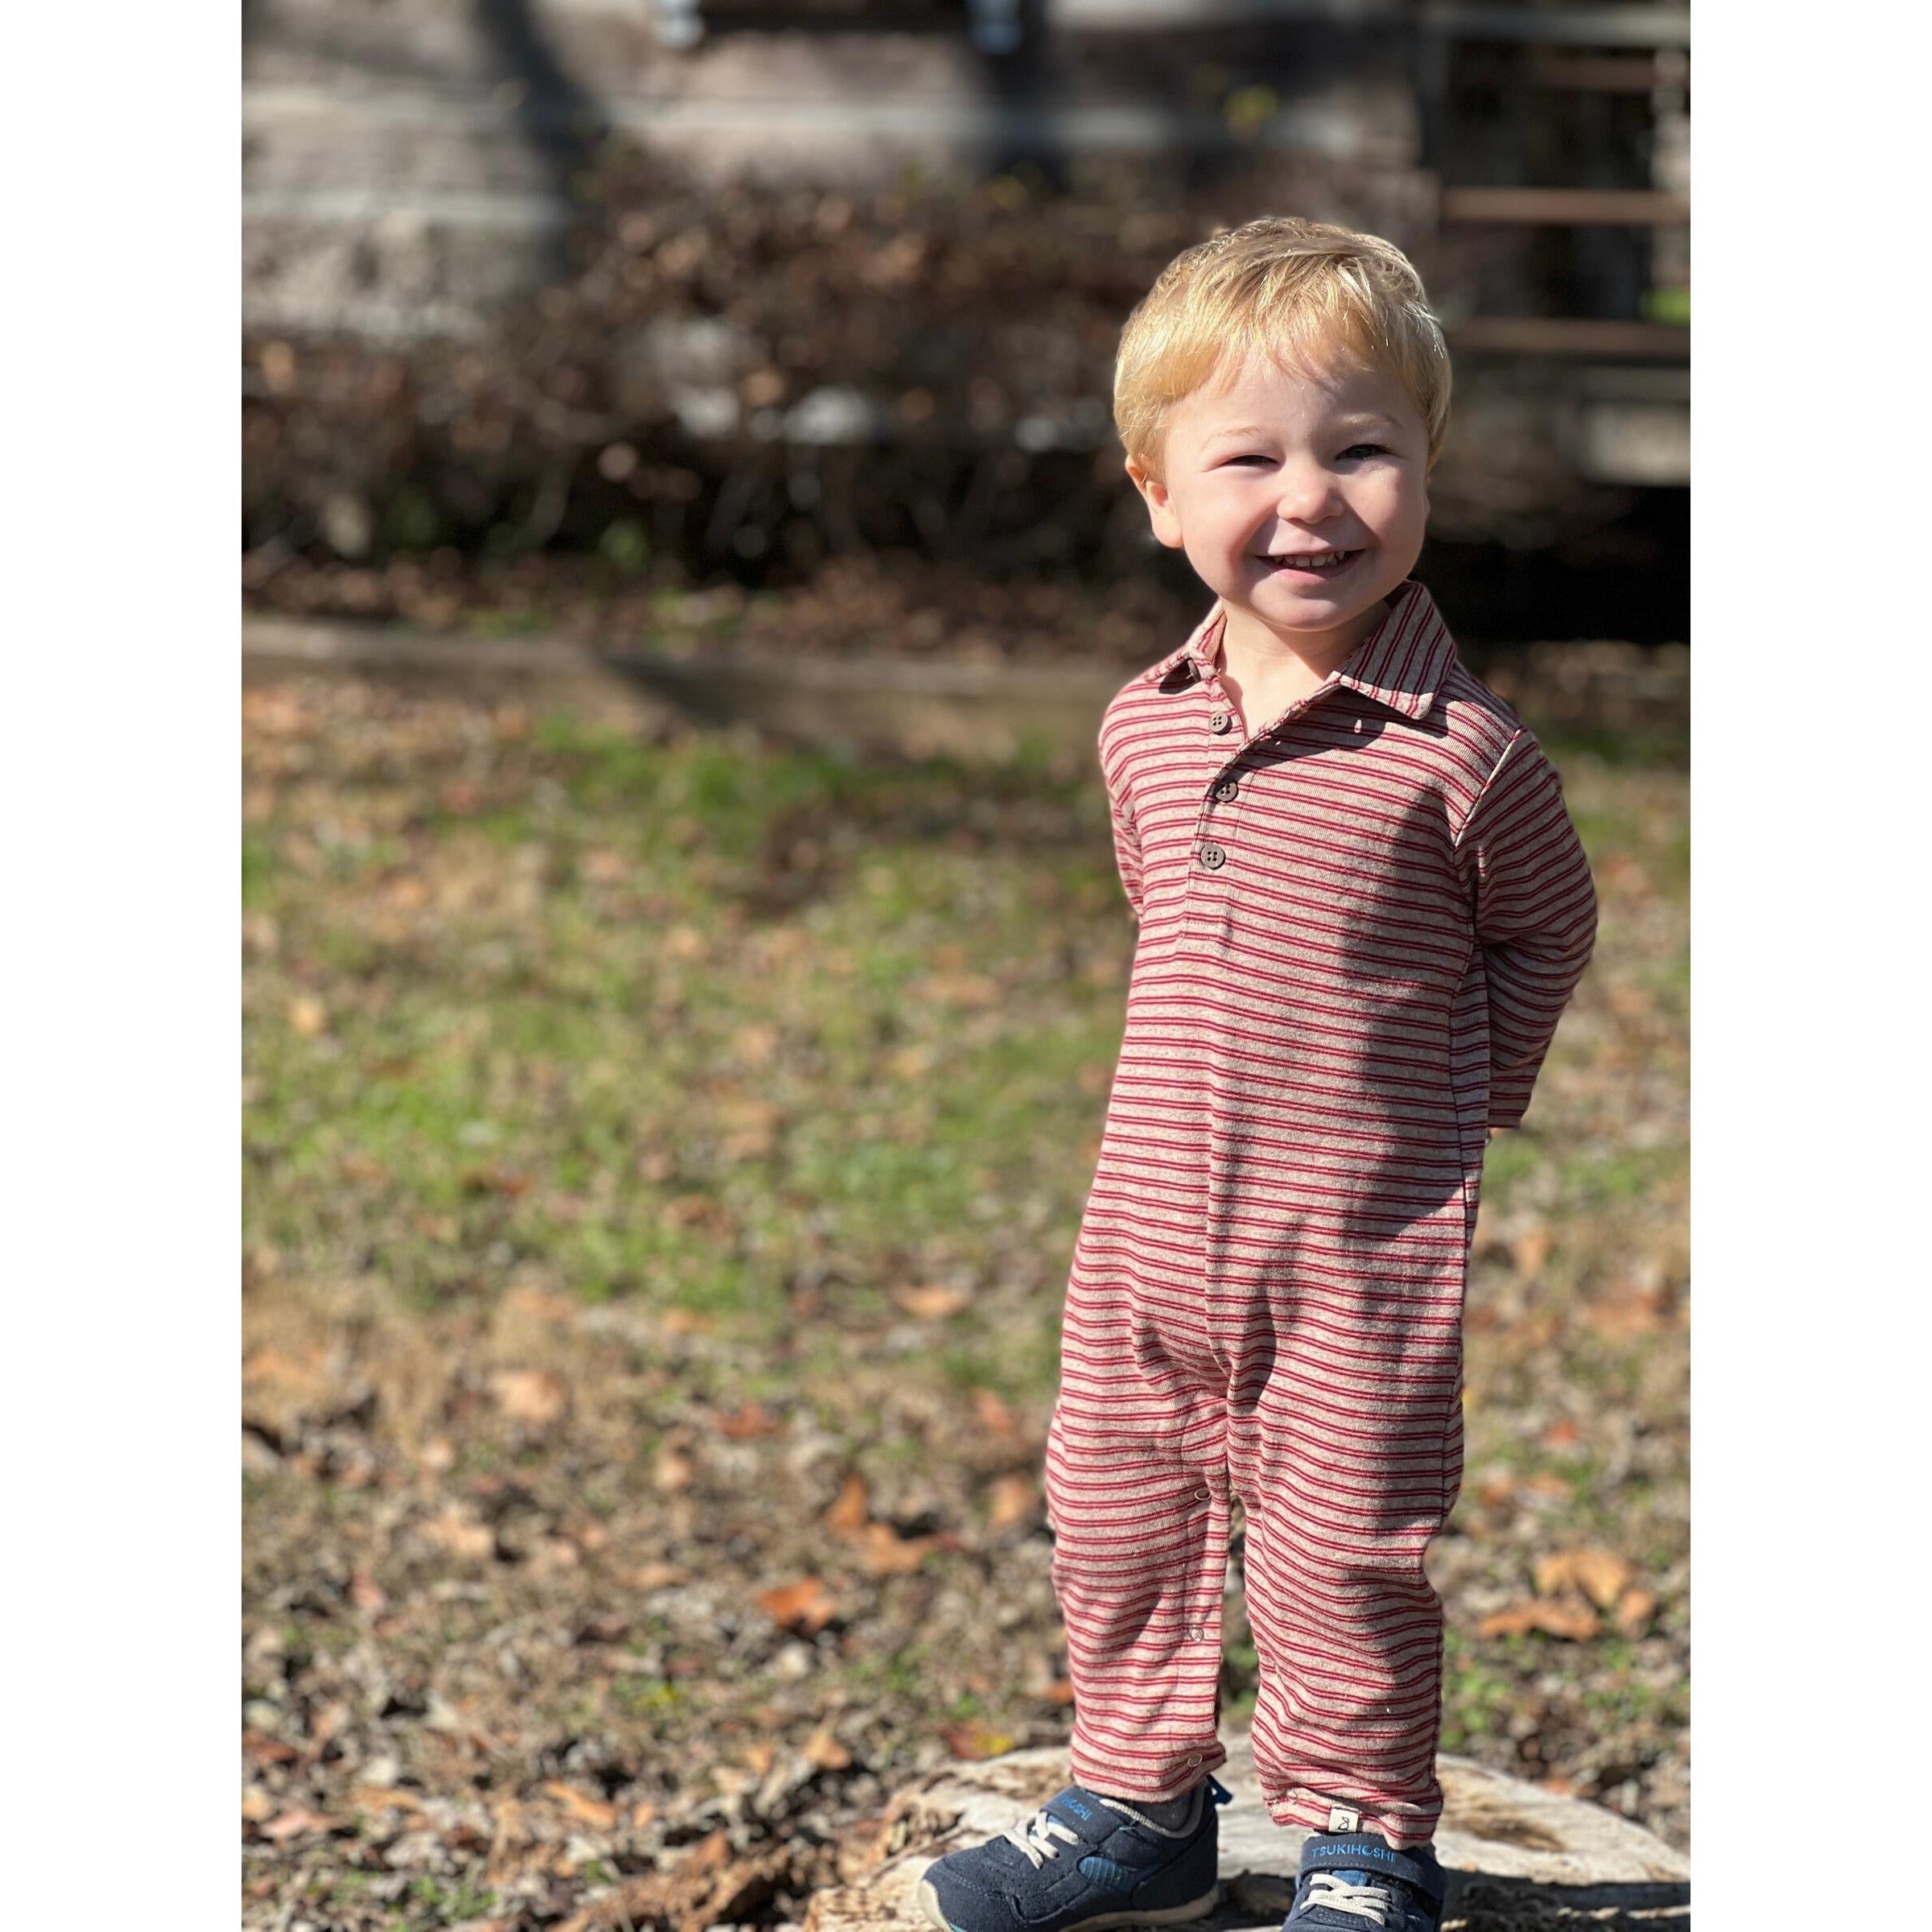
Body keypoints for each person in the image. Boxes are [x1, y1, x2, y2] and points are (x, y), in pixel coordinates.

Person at [918, 218, 1598, 1932]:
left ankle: (1365, 1838)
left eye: (1361, 450)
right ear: (1158, 494)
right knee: (1115, 1514)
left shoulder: (1463, 759)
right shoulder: (1142, 724)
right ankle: (1138, 1807)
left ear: (1426, 466)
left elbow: (1549, 929)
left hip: (1357, 1245)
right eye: (1250, 459)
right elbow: (1167, 915)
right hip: (1145, 1231)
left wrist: (1456, 1105)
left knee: (1343, 1543)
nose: (1311, 499)